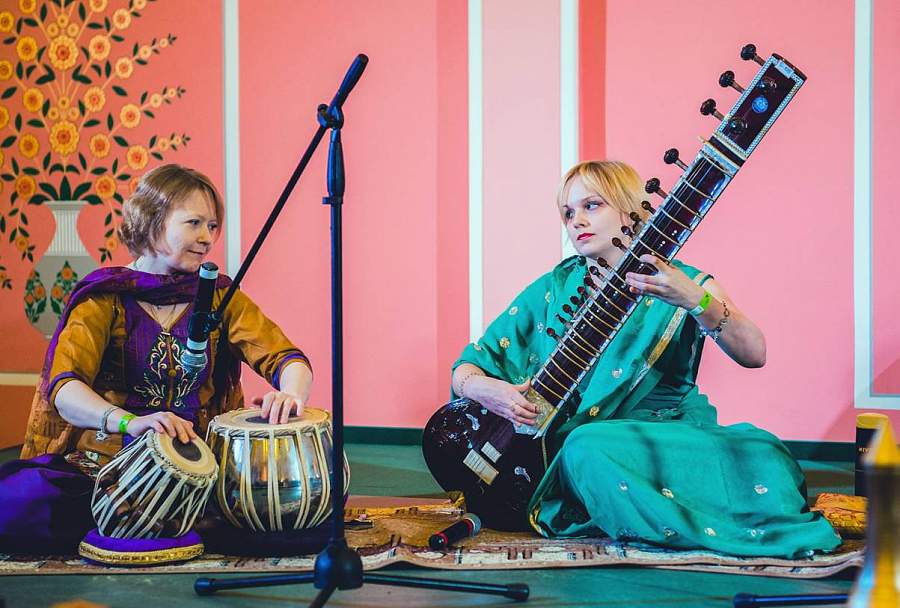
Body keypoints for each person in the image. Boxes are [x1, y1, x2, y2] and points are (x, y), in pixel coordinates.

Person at [449, 160, 841, 558]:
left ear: (629, 209)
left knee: (761, 456)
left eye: (592, 205)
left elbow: (754, 353)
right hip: (583, 445)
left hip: (663, 439)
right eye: (568, 212)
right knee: (583, 445)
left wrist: (695, 300)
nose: (576, 221)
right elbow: (470, 365)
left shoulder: (682, 281)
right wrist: (484, 389)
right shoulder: (557, 286)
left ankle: (665, 517)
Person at [1, 164, 312, 551]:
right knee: (18, 504)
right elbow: (64, 390)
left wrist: (291, 394)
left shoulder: (219, 297)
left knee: (299, 504)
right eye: (194, 223)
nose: (206, 238)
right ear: (151, 221)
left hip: (199, 467)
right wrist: (130, 422)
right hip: (106, 466)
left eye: (212, 226)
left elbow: (286, 357)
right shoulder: (106, 297)